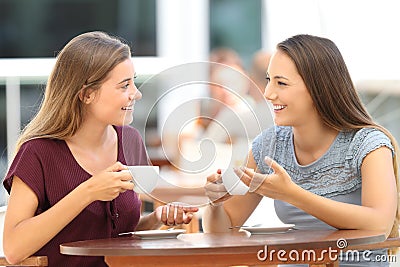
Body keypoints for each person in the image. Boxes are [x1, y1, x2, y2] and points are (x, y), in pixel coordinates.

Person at [2, 31, 198, 267]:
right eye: (124, 85)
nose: (136, 93)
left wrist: (155, 220)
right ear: (86, 94)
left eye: (133, 82)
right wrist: (88, 192)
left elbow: (116, 234)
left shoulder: (131, 141)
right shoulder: (37, 153)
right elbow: (13, 249)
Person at [202, 34, 399, 266]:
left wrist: (292, 194)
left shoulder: (368, 144)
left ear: (318, 88)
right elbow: (221, 232)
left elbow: (379, 225)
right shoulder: (270, 145)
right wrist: (216, 204)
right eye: (268, 80)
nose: (268, 93)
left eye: (281, 83)